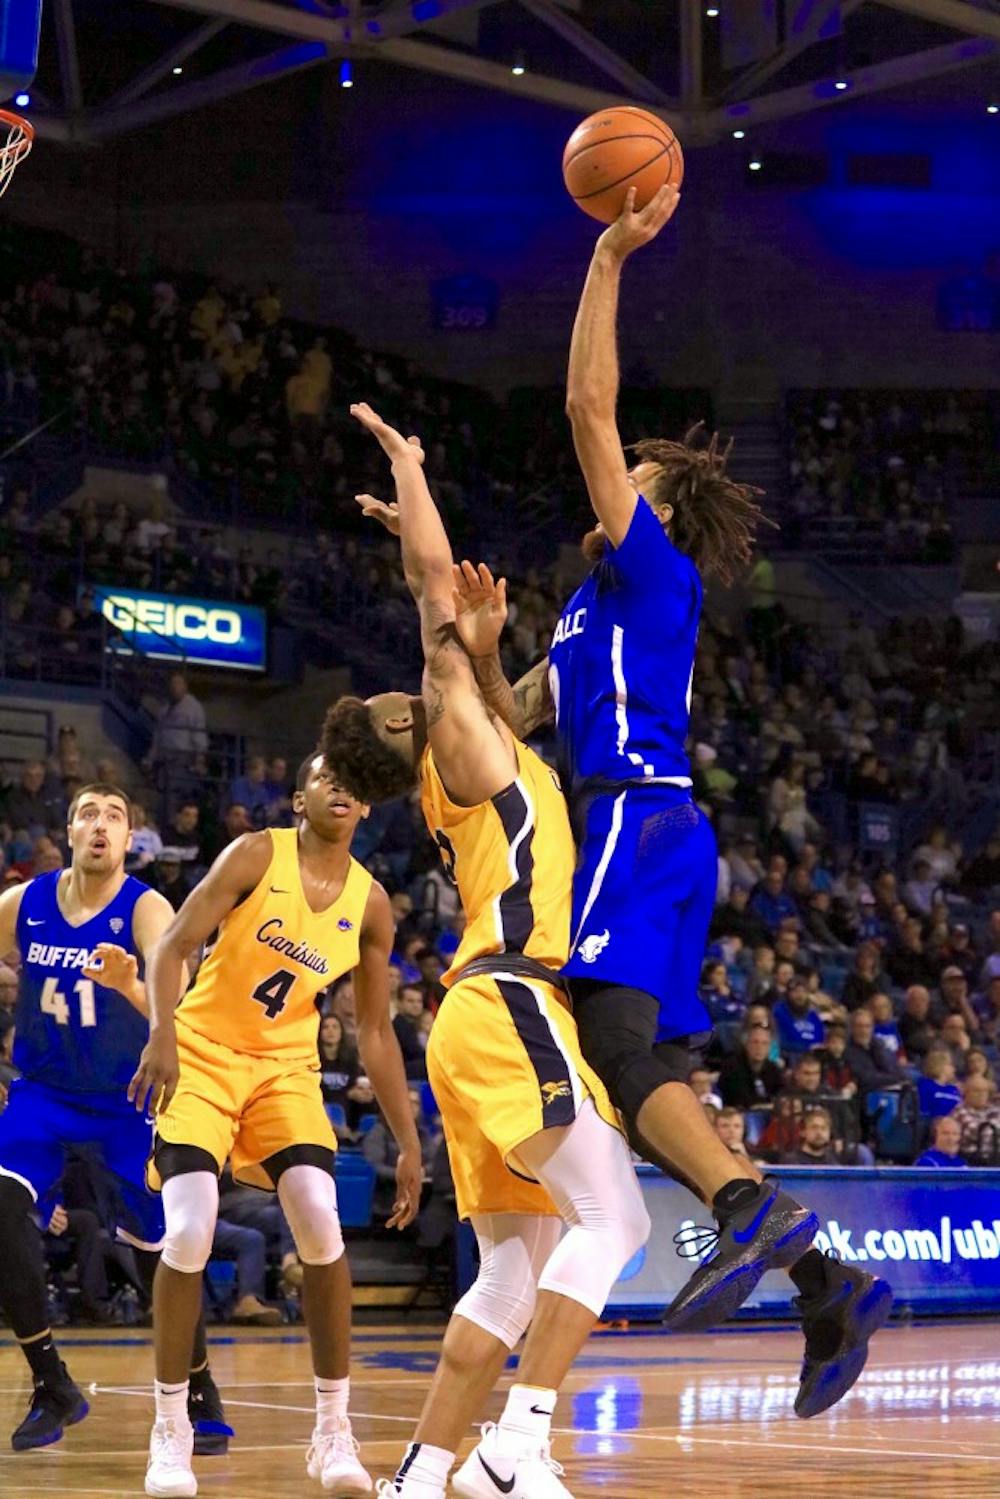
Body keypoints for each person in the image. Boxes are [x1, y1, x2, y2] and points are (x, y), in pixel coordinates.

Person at [455, 192, 882, 1411]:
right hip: (645, 832)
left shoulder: (653, 566)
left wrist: (603, 255)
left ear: (654, 504)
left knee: (609, 1037)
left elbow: (589, 405)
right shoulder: (588, 616)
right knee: (644, 1067)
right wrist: (485, 649)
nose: (612, 476)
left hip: (638, 821)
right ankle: (828, 1286)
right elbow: (510, 719)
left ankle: (751, 1213)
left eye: (631, 478)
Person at [323, 403, 650, 1499]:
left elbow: (464, 644)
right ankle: (518, 1440)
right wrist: (412, 466)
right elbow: (429, 586)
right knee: (620, 1217)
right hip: (508, 1000)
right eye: (401, 702)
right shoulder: (450, 723)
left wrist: (487, 643)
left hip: (472, 1016)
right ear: (410, 728)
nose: (410, 691)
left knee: (512, 1266)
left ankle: (422, 1471)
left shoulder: (476, 739)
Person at [128, 752, 423, 1498]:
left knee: (322, 1222)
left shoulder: (373, 902)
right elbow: (173, 943)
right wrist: (162, 1029)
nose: (341, 789)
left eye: (352, 784)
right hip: (200, 1050)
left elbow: (378, 1033)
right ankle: (172, 1428)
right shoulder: (257, 851)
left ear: (365, 809)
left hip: (284, 1068)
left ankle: (331, 1431)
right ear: (300, 796)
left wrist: (412, 1141)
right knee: (190, 1231)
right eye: (327, 776)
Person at [0, 784, 226, 1453]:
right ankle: (51, 1382)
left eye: (115, 816)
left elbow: (175, 1007)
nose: (101, 826)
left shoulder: (147, 907)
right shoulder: (24, 903)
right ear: (69, 830)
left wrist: (130, 980)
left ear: (131, 839)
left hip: (126, 1101)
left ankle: (199, 1382)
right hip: (42, 1095)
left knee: (166, 1245)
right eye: (88, 814)